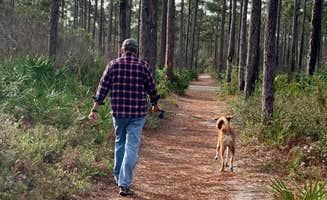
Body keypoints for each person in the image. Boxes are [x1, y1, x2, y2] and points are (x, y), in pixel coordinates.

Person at [88, 38, 160, 196]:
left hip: (119, 113)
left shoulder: (113, 65)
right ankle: (124, 183)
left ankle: (117, 175)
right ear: (136, 51)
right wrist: (155, 103)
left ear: (122, 50)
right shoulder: (143, 66)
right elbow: (152, 88)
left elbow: (102, 89)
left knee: (120, 142)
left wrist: (94, 110)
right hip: (138, 114)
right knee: (132, 146)